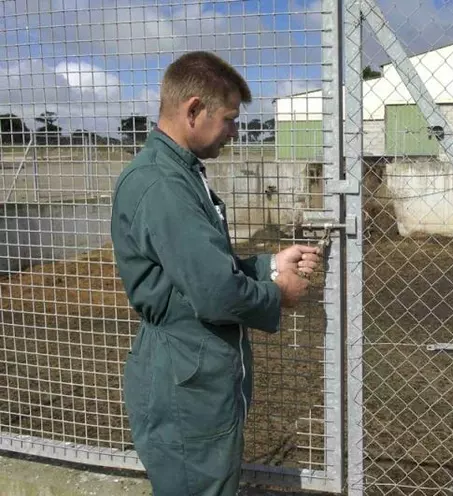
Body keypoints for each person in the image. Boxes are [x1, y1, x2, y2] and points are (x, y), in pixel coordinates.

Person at [110, 51, 321, 496]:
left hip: (194, 375)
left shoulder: (179, 174)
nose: (233, 131)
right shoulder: (164, 185)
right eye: (228, 119)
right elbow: (214, 292)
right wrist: (278, 293)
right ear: (193, 110)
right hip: (186, 385)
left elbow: (196, 271)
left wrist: (268, 265)